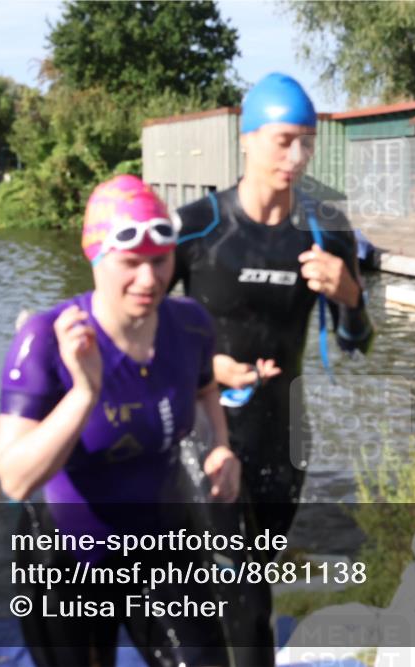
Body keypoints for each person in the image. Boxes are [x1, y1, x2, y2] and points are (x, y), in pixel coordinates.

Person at [0, 174, 241, 667]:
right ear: (97, 259)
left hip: (164, 540)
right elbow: (14, 477)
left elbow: (206, 387)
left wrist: (220, 446)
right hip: (64, 556)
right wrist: (85, 392)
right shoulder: (46, 339)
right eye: (130, 263)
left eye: (160, 261)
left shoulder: (190, 324)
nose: (148, 280)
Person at [172, 73, 375, 664]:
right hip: (205, 433)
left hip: (284, 436)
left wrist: (351, 299)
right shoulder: (198, 226)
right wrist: (204, 367)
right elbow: (141, 339)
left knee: (253, 583)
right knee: (225, 585)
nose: (298, 157)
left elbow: (357, 343)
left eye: (307, 142)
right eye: (284, 141)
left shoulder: (325, 231)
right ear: (248, 139)